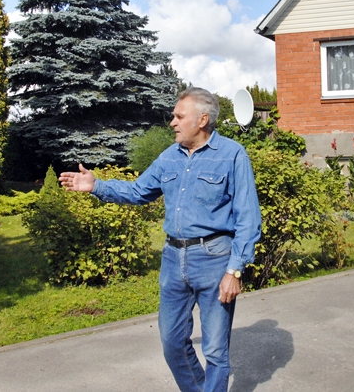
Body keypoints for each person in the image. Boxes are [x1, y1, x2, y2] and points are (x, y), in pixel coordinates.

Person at [59, 87, 262, 392]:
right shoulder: (169, 157)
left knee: (216, 352)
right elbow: (138, 191)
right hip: (173, 260)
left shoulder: (232, 155)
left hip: (215, 260)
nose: (173, 123)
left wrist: (234, 270)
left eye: (180, 116)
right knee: (172, 343)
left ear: (203, 119)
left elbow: (248, 217)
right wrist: (96, 185)